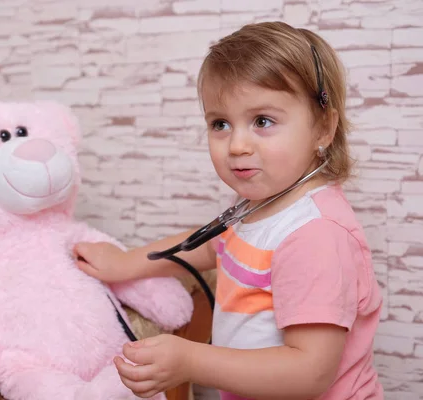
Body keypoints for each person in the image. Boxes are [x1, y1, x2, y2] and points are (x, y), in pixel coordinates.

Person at [72, 21, 384, 400]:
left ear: (323, 128)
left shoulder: (315, 235)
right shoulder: (258, 202)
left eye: (262, 121)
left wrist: (192, 361)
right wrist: (126, 263)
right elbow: (212, 247)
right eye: (220, 123)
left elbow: (310, 372)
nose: (236, 145)